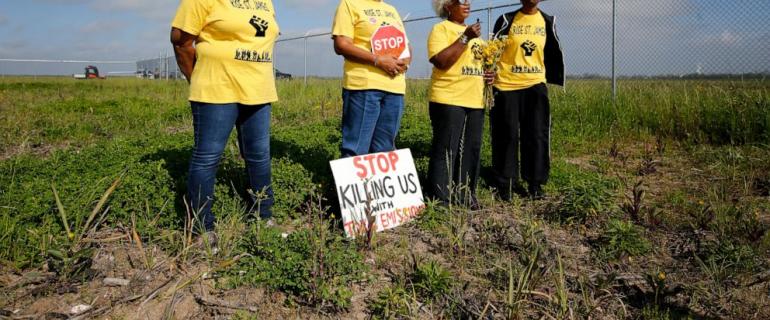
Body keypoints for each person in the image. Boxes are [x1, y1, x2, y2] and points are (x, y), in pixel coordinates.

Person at [170, 0, 280, 235]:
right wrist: (198, 78)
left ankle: (262, 216)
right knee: (208, 157)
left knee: (259, 155)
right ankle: (201, 226)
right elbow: (181, 41)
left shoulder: (265, 2)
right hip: (216, 88)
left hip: (258, 90)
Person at [490, 0, 564, 200]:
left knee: (537, 135)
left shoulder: (547, 21)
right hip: (507, 85)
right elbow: (492, 51)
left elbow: (550, 52)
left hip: (535, 85)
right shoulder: (506, 20)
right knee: (507, 135)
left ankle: (535, 183)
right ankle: (505, 183)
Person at [426, 0, 493, 209]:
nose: (467, 4)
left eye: (468, 0)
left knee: (471, 149)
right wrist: (465, 37)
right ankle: (440, 198)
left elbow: (478, 65)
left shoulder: (477, 37)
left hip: (474, 100)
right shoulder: (440, 29)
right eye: (460, 1)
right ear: (447, 6)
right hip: (449, 98)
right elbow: (441, 61)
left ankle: (465, 193)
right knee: (447, 148)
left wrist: (490, 75)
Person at [331, 0, 411, 158]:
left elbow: (406, 46)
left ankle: (376, 183)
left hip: (394, 89)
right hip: (364, 86)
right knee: (356, 148)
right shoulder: (349, 4)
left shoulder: (391, 10)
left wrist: (405, 64)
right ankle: (352, 182)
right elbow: (341, 44)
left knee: (386, 148)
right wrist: (378, 60)